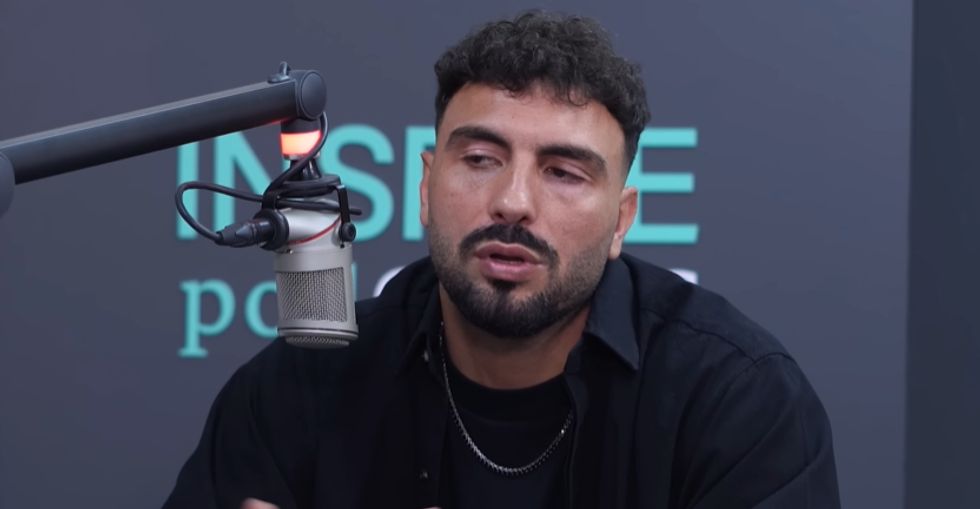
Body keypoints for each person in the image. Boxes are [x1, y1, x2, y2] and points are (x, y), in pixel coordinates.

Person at [162, 10, 841, 509]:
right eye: (481, 159)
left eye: (564, 172)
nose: (513, 202)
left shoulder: (736, 400)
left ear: (621, 220)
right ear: (425, 187)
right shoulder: (302, 384)